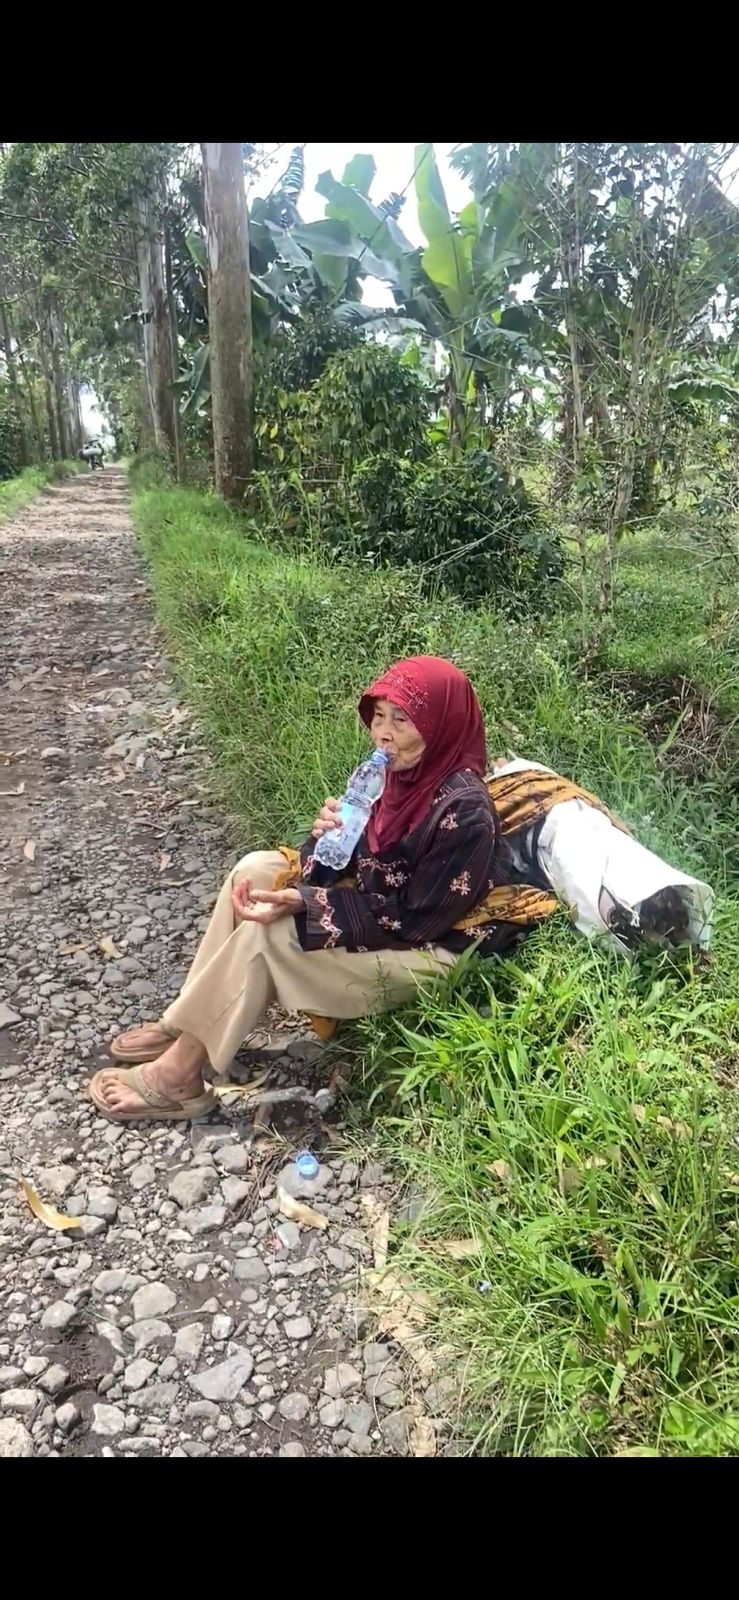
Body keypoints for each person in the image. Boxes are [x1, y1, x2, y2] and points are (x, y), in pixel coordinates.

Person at [90, 655, 523, 1124]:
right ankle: (185, 1023)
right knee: (253, 871)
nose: (383, 733)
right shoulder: (395, 775)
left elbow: (417, 919)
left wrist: (306, 903)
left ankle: (178, 1080)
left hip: (436, 950)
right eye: (379, 716)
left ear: (440, 725)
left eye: (402, 720)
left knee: (271, 934)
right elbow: (349, 865)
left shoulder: (464, 810)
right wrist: (326, 837)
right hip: (390, 913)